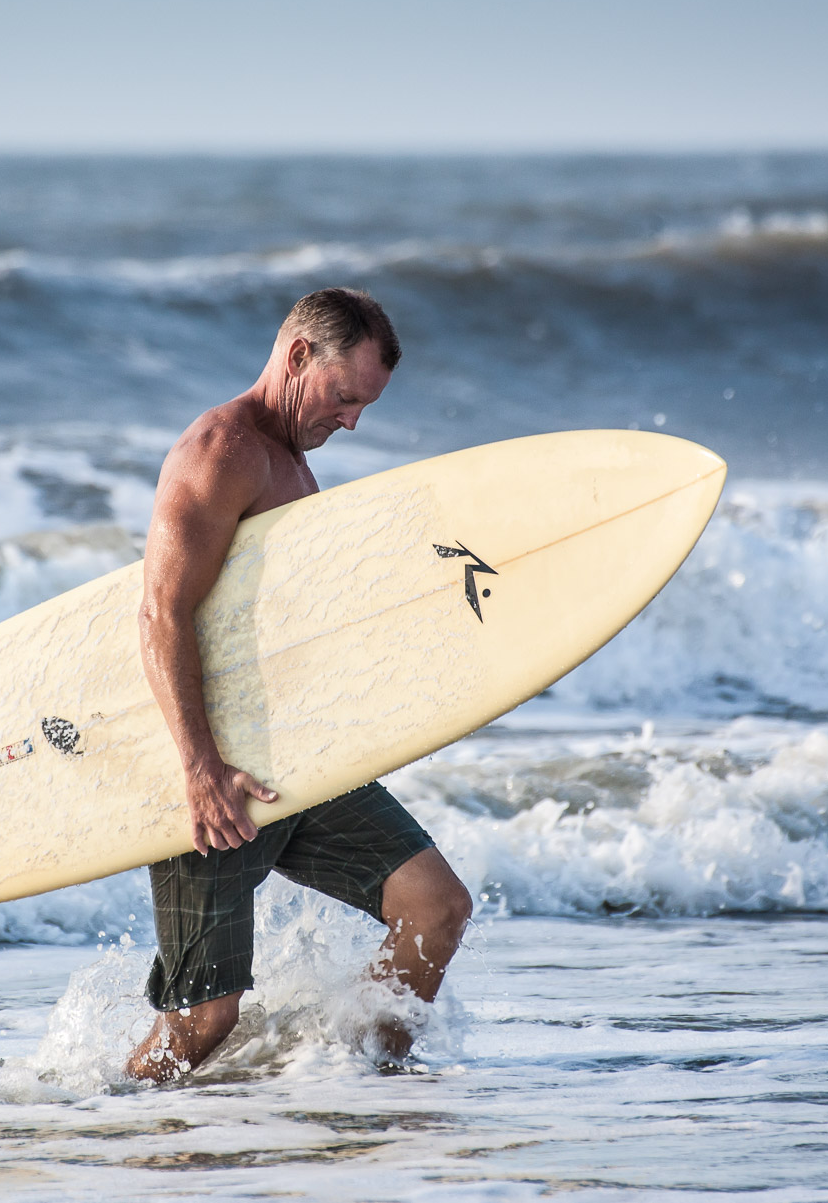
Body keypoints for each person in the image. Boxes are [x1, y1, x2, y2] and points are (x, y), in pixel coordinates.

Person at [125, 287, 474, 1082]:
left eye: (365, 406)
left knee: (436, 907)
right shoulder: (222, 451)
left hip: (290, 762)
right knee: (205, 1017)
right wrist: (198, 766)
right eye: (344, 397)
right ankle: (111, 1122)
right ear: (297, 358)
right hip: (216, 774)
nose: (352, 421)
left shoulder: (289, 463)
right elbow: (159, 614)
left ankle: (362, 1088)